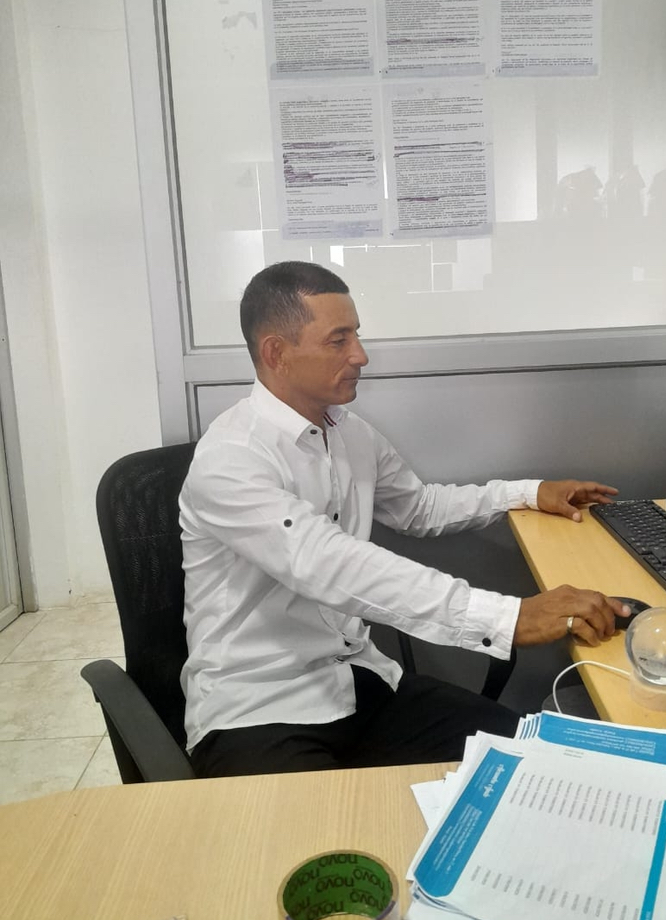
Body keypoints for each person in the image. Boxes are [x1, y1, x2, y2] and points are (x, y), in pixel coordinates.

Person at [180, 260, 628, 778]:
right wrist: (506, 617)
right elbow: (325, 563)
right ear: (276, 353)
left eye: (357, 335)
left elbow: (419, 508)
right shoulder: (230, 458)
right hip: (257, 708)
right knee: (331, 832)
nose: (360, 355)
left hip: (358, 681)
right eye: (338, 340)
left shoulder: (349, 433)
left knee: (541, 767)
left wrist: (527, 492)